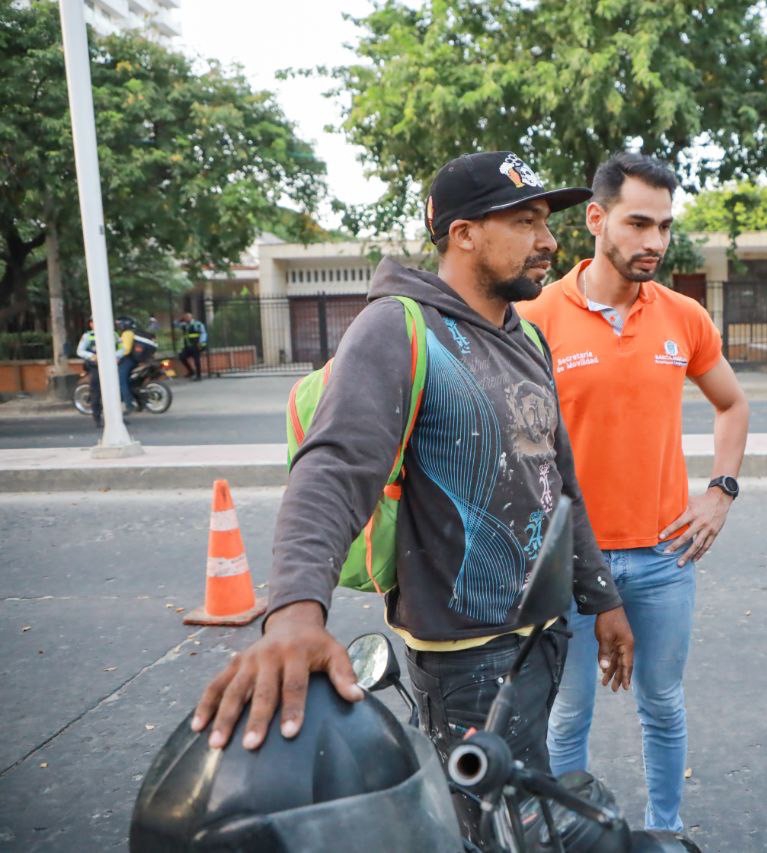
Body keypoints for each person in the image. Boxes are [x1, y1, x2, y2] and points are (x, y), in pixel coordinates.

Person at [191, 151, 635, 842]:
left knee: (525, 818)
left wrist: (601, 596)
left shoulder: (528, 338)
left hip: (539, 642)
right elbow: (334, 468)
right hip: (463, 660)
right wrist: (293, 618)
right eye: (525, 220)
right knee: (491, 833)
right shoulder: (398, 326)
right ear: (463, 234)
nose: (549, 240)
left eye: (547, 221)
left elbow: (559, 477)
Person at [521, 152, 749, 832]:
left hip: (662, 556)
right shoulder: (535, 316)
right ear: (597, 219)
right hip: (567, 560)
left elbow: (733, 405)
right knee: (569, 712)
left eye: (665, 226)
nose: (654, 242)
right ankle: (573, 831)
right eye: (638, 223)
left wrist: (720, 492)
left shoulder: (683, 316)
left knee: (662, 703)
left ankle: (665, 831)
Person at [75, 318, 113, 427]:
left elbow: (119, 347)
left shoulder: (110, 334)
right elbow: (80, 351)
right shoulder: (88, 336)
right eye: (94, 322)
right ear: (91, 324)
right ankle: (97, 418)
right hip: (95, 366)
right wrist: (92, 356)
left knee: (113, 392)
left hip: (109, 366)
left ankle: (115, 418)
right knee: (96, 391)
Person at [176, 312, 207, 380]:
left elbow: (203, 333)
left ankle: (198, 376)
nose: (186, 319)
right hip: (187, 346)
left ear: (191, 317)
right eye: (185, 317)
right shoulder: (184, 325)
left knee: (197, 361)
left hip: (196, 345)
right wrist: (180, 320)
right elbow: (175, 324)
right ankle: (191, 371)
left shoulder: (197, 324)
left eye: (187, 317)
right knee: (181, 357)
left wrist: (201, 343)